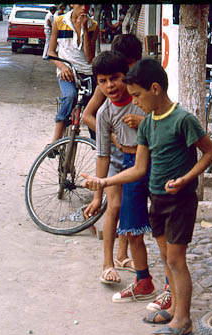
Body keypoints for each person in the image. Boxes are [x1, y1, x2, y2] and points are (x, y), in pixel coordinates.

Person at [82, 59, 212, 335]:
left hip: (180, 200)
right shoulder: (147, 126)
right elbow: (139, 169)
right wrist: (104, 182)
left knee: (176, 261)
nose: (134, 102)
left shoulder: (183, 120)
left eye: (138, 95)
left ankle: (183, 320)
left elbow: (209, 153)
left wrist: (186, 178)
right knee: (166, 259)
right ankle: (175, 310)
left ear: (155, 89)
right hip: (157, 200)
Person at [84, 51, 156, 301]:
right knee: (127, 221)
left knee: (162, 227)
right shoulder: (104, 113)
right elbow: (102, 155)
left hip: (155, 163)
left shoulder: (142, 99)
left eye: (114, 78)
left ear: (126, 74)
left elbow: (162, 124)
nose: (109, 86)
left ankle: (169, 286)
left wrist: (143, 122)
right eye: (102, 81)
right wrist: (97, 196)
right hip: (127, 164)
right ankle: (125, 271)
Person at [46, 4, 99, 146]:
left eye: (87, 5)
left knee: (93, 109)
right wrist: (62, 67)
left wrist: (85, 30)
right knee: (70, 96)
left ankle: (98, 145)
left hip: (87, 72)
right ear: (72, 5)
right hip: (67, 72)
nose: (84, 8)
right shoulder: (59, 22)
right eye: (80, 4)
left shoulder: (93, 25)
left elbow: (89, 58)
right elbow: (50, 53)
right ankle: (54, 142)